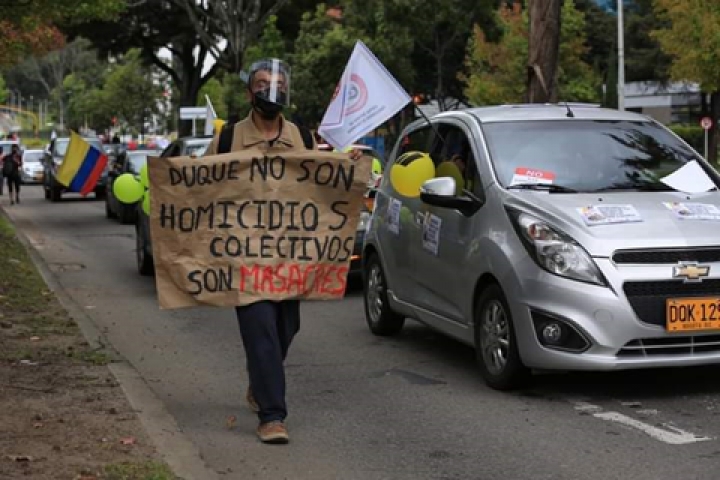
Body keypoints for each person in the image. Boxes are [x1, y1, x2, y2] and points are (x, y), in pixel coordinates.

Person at [204, 58, 360, 445]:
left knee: (285, 328)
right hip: (245, 256)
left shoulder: (303, 138)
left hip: (290, 258)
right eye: (261, 84)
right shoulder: (227, 139)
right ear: (249, 92)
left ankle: (260, 382)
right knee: (261, 331)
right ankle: (272, 416)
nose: (270, 91)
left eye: (276, 85)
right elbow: (200, 187)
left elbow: (322, 186)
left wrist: (347, 166)